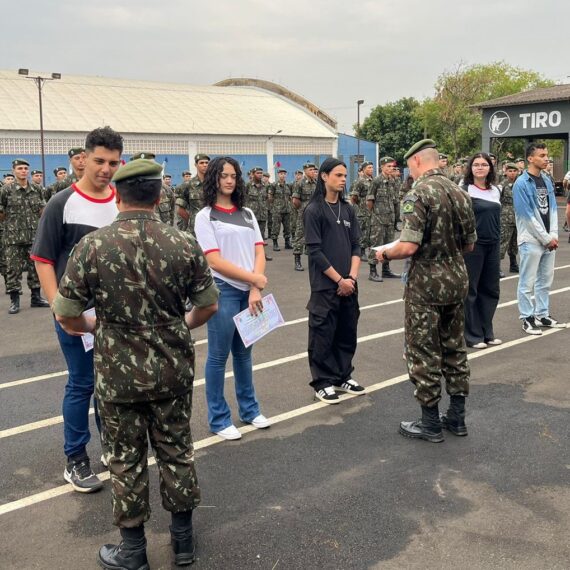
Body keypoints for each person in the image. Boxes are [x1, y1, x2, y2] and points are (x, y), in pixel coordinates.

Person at [51, 158, 218, 569]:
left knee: (126, 458)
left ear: (118, 197)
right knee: (177, 451)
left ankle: (133, 551)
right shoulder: (182, 243)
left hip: (117, 373)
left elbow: (66, 312)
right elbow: (208, 305)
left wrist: (93, 323)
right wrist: (180, 324)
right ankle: (182, 543)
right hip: (172, 369)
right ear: (159, 196)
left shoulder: (92, 246)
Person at [32, 126, 123, 493]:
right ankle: (76, 459)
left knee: (110, 386)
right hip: (76, 314)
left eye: (113, 162)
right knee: (83, 383)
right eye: (99, 160)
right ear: (83, 158)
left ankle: (111, 450)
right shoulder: (62, 203)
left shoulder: (122, 201)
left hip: (114, 314)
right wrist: (60, 309)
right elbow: (42, 259)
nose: (105, 169)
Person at [376, 139, 476, 443]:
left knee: (423, 350)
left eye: (409, 164)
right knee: (455, 347)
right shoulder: (460, 191)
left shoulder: (418, 193)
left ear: (418, 161)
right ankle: (456, 418)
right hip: (457, 277)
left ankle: (430, 422)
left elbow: (408, 246)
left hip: (426, 284)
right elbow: (470, 244)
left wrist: (383, 254)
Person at [194, 156, 271, 441]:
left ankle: (250, 410)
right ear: (213, 178)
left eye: (233, 176)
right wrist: (253, 280)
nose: (229, 180)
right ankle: (218, 418)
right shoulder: (205, 216)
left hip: (249, 293)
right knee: (217, 356)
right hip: (223, 290)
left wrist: (254, 288)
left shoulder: (247, 214)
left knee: (244, 353)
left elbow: (259, 252)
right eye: (223, 175)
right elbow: (213, 261)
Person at [303, 158, 365, 403]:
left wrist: (351, 278)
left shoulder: (348, 209)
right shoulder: (314, 210)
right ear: (324, 176)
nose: (342, 179)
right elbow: (315, 251)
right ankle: (322, 381)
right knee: (322, 334)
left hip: (349, 285)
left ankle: (342, 375)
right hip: (326, 286)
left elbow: (357, 246)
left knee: (346, 332)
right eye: (337, 175)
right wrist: (339, 280)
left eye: (344, 175)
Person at [513, 143, 562, 335]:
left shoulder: (547, 181)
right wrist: (545, 238)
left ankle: (542, 314)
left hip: (549, 240)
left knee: (545, 280)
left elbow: (553, 210)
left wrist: (554, 235)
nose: (546, 158)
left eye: (547, 155)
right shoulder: (521, 183)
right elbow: (526, 216)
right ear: (530, 159)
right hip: (531, 240)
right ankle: (527, 317)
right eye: (542, 155)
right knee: (527, 282)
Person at [461, 153, 502, 349]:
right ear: (470, 168)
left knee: (491, 289)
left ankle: (487, 332)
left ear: (490, 168)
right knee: (471, 291)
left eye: (484, 164)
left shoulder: (495, 190)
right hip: (473, 246)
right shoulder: (464, 189)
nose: (480, 168)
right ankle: (472, 335)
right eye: (476, 165)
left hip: (493, 245)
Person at [0, 158, 49, 314]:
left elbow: (43, 210)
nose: (23, 171)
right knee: (13, 270)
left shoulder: (37, 189)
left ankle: (36, 297)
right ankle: (15, 300)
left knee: (35, 268)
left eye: (25, 168)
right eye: (20, 168)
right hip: (13, 238)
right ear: (14, 171)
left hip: (34, 236)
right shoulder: (6, 190)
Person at [367, 157, 400, 282]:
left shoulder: (393, 181)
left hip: (390, 219)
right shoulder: (376, 181)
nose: (391, 168)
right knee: (376, 245)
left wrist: (396, 218)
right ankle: (372, 271)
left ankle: (386, 270)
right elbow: (370, 200)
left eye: (392, 166)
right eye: (388, 166)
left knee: (388, 245)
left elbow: (395, 200)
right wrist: (374, 215)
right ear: (382, 167)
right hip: (378, 220)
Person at [291, 163, 317, 271]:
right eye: (310, 170)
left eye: (313, 170)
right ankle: (297, 260)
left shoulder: (316, 183)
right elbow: (295, 200)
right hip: (303, 212)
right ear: (305, 171)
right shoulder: (300, 183)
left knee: (315, 235)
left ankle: (314, 260)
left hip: (315, 213)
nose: (313, 172)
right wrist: (302, 209)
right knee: (300, 235)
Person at [177, 154, 210, 233]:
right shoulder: (187, 185)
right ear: (196, 165)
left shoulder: (215, 184)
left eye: (207, 163)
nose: (205, 165)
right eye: (201, 163)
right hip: (195, 230)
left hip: (213, 227)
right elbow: (180, 210)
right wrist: (193, 220)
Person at [245, 166, 272, 261]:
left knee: (261, 236)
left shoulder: (266, 185)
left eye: (261, 173)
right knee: (249, 236)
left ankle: (262, 254)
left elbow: (267, 199)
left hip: (262, 215)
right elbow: (243, 200)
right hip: (251, 216)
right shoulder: (247, 186)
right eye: (258, 173)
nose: (260, 175)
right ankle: (249, 255)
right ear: (253, 174)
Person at [499, 162, 520, 277]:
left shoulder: (520, 184)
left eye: (514, 171)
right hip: (505, 218)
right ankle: (497, 267)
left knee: (514, 243)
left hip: (517, 217)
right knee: (502, 242)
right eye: (510, 171)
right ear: (506, 172)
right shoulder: (502, 185)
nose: (512, 173)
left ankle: (513, 264)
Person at [350, 161, 374, 261]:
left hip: (371, 211)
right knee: (362, 231)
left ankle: (366, 250)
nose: (371, 169)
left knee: (369, 231)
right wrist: (360, 205)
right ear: (363, 169)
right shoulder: (360, 181)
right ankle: (361, 251)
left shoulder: (373, 180)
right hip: (362, 210)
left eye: (372, 167)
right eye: (369, 168)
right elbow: (354, 197)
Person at [268, 167, 292, 251]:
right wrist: (275, 206)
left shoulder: (288, 185)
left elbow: (290, 197)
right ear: (278, 174)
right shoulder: (273, 185)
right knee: (276, 227)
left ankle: (287, 242)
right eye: (281, 174)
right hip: (277, 210)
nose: (283, 175)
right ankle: (275, 243)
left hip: (287, 209)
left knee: (287, 227)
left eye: (284, 174)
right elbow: (270, 197)